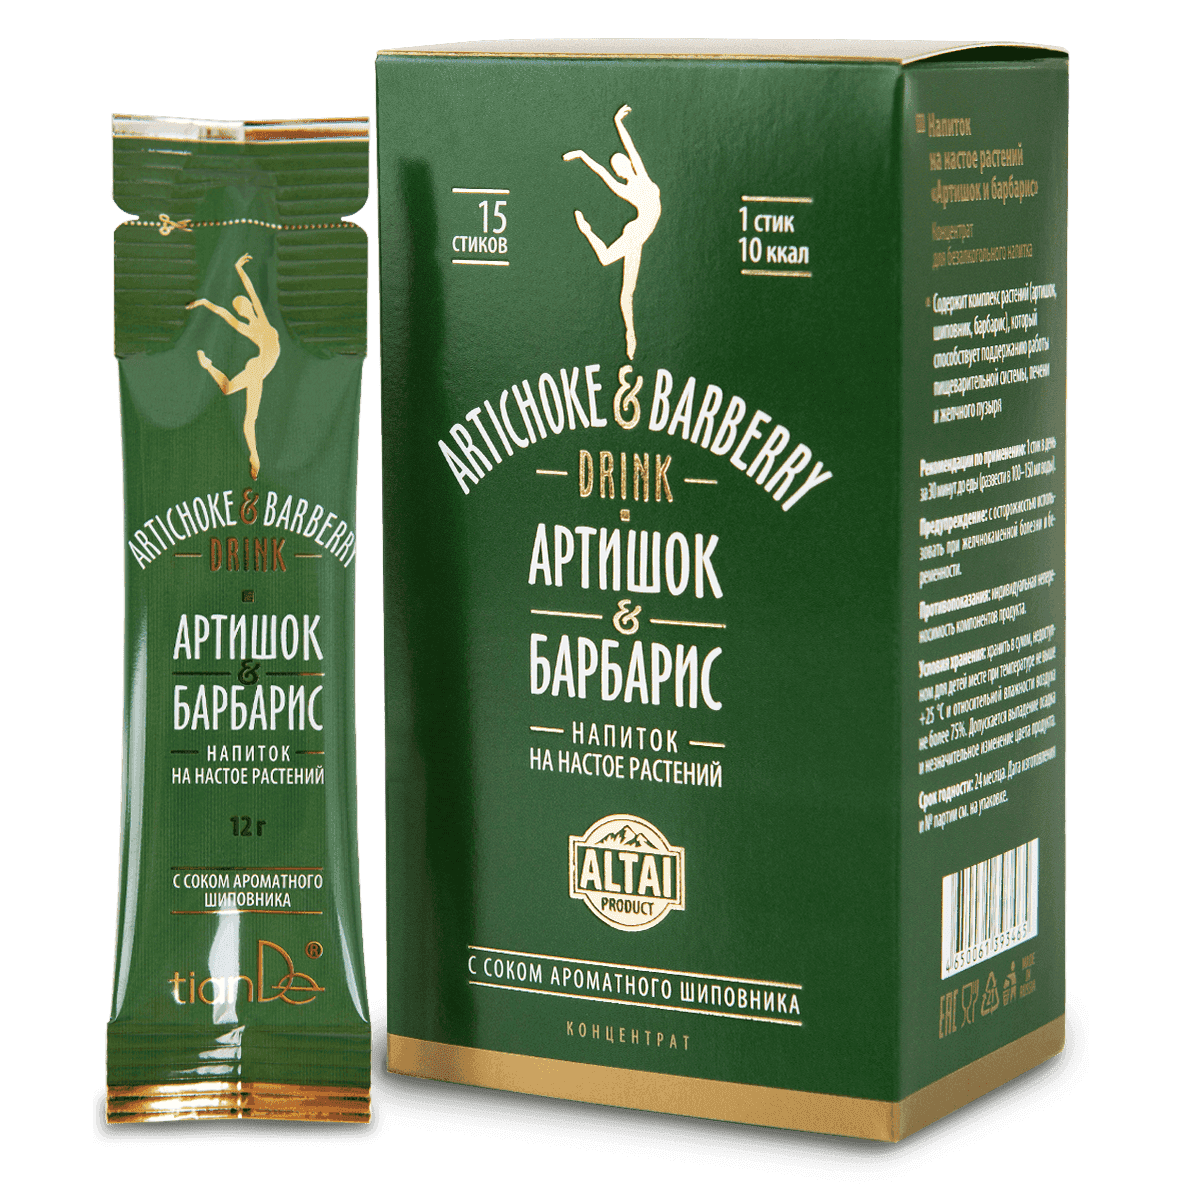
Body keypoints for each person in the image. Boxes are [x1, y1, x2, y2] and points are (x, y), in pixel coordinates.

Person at [563, 105, 661, 360]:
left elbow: (630, 146)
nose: (620, 168)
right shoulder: (624, 189)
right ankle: (630, 333)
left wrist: (618, 122)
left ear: (628, 163)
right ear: (619, 172)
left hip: (639, 232)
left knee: (618, 276)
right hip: (636, 232)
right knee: (618, 278)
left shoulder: (642, 176)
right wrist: (582, 155)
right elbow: (601, 173)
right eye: (617, 168)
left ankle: (586, 229)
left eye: (621, 163)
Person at [187, 253, 280, 479]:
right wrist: (204, 302)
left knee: (230, 392)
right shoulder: (245, 328)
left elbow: (251, 290)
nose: (243, 308)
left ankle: (208, 365)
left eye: (244, 304)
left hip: (260, 366)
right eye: (240, 308)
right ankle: (254, 457)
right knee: (246, 414)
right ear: (240, 312)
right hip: (257, 367)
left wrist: (239, 268)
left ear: (250, 305)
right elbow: (224, 313)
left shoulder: (262, 318)